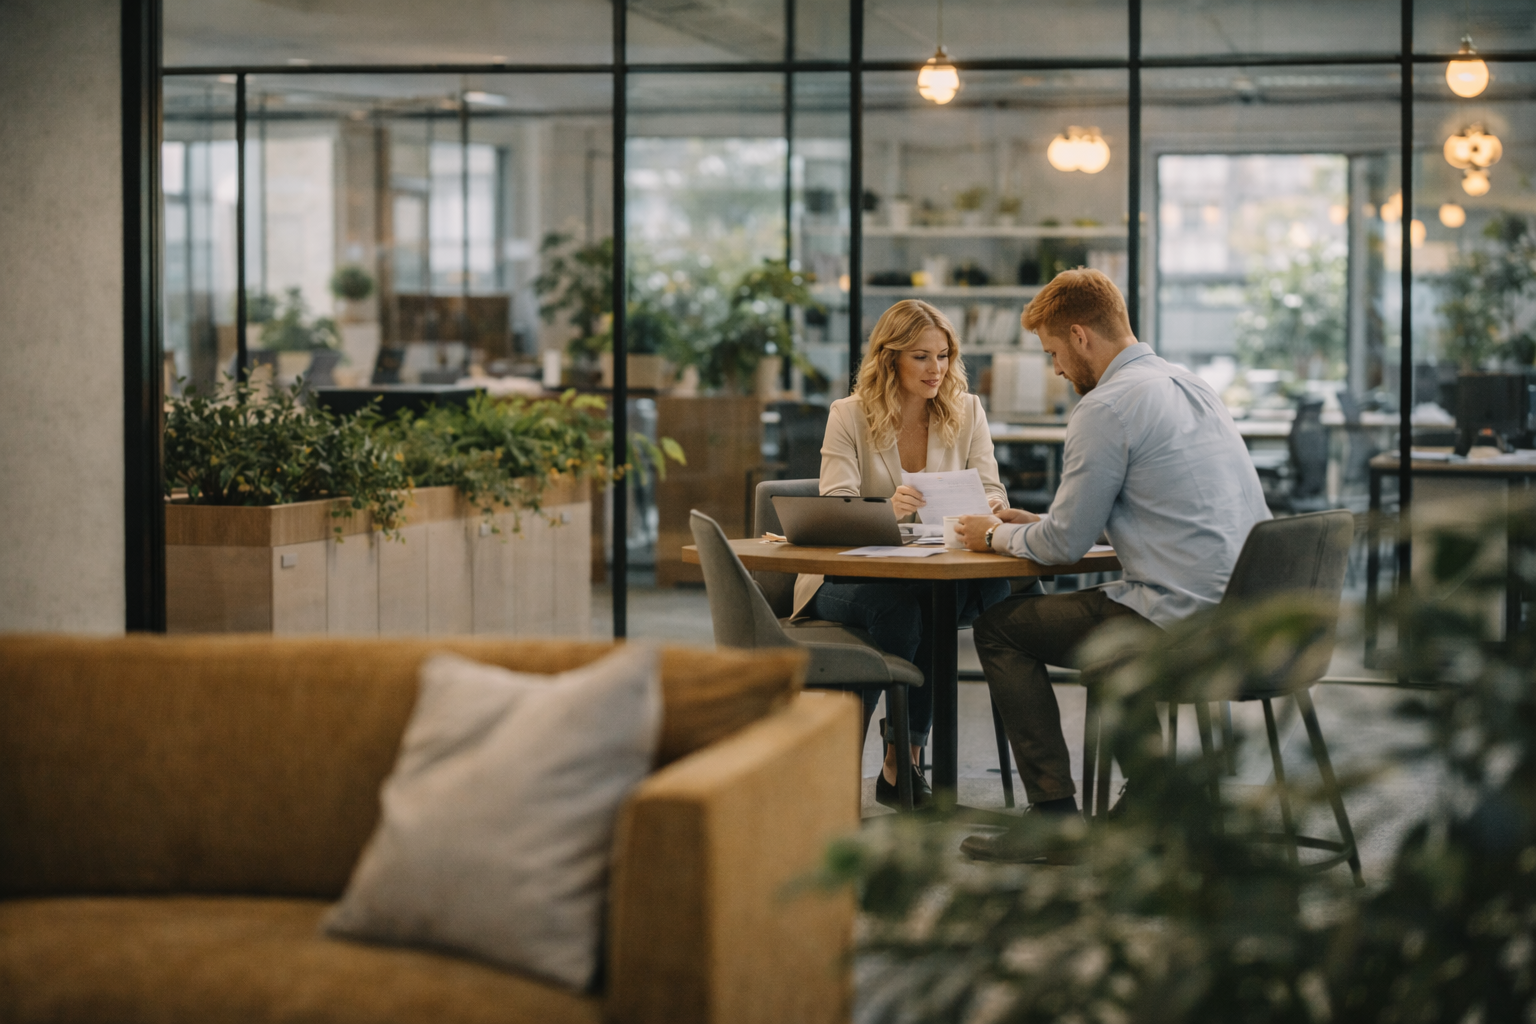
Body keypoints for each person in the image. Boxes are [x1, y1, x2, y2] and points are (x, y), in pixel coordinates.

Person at [954, 268, 1270, 860]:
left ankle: (1054, 821)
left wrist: (995, 534)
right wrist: (1036, 527)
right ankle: (1153, 797)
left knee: (1000, 629)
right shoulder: (1190, 384)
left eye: (1053, 353)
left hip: (1179, 620)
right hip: (1248, 616)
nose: (1056, 370)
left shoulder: (1106, 407)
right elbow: (1158, 505)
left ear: (1080, 336)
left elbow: (1062, 549)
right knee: (1104, 629)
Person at [794, 299, 1012, 809]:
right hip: (845, 581)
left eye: (943, 356)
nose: (936, 369)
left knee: (963, 598)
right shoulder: (848, 416)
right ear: (890, 358)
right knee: (905, 612)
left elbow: (992, 489)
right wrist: (886, 510)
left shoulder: (968, 410)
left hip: (932, 574)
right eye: (921, 357)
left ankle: (901, 760)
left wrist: (991, 506)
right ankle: (887, 764)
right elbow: (835, 509)